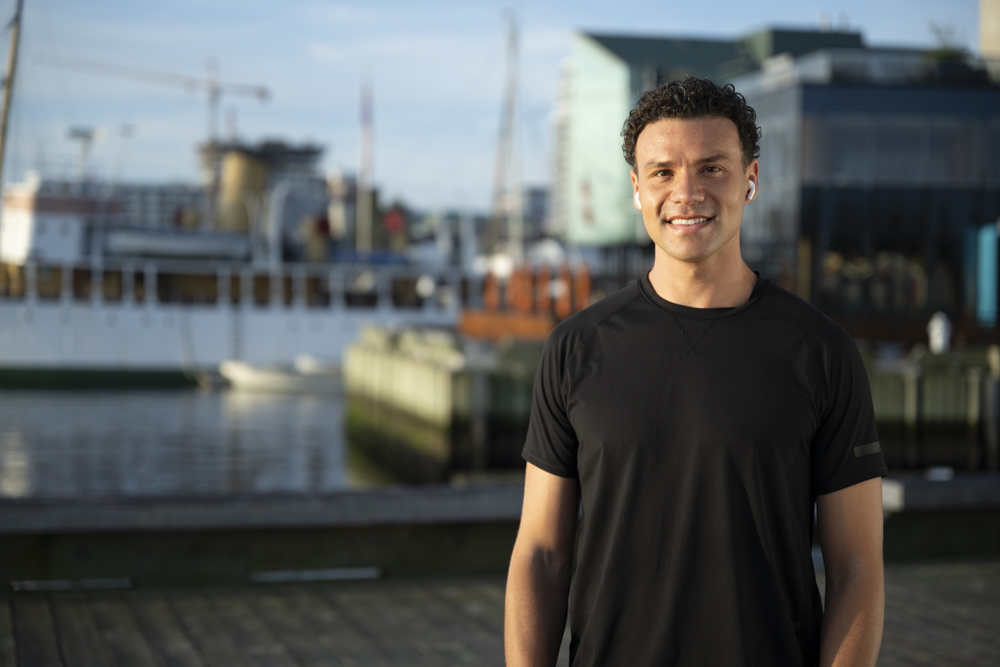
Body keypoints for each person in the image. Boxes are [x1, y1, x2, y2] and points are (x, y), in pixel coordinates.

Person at [504, 78, 886, 667]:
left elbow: (857, 567)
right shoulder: (575, 349)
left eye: (712, 168)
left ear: (750, 179)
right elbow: (541, 554)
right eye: (663, 172)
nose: (687, 192)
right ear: (636, 189)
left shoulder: (822, 352)